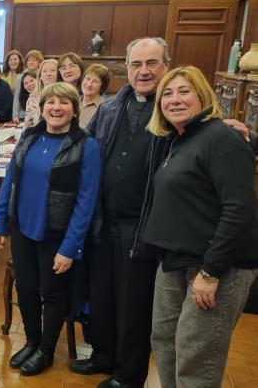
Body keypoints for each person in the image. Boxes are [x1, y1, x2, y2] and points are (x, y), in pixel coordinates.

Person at [143, 66, 258, 388]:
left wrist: (211, 273)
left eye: (184, 91)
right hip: (175, 257)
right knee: (165, 341)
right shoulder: (180, 139)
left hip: (217, 267)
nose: (174, 99)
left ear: (203, 96)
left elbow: (239, 209)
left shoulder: (222, 137)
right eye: (167, 93)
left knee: (196, 358)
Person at [69, 37, 170, 388]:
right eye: (136, 64)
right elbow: (85, 146)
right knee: (101, 293)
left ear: (166, 66)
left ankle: (129, 374)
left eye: (151, 63)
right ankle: (103, 355)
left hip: (141, 224)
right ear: (126, 69)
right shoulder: (110, 108)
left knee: (133, 304)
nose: (143, 71)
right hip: (102, 219)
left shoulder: (172, 108)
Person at [0, 82, 101, 376]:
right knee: (26, 289)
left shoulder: (86, 146)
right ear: (42, 109)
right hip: (23, 230)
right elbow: (10, 182)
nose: (56, 107)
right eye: (51, 102)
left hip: (56, 234)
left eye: (64, 102)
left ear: (74, 110)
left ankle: (46, 351)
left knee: (52, 294)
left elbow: (86, 201)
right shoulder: (28, 137)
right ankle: (31, 342)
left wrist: (70, 247)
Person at [24, 59, 58, 128]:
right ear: (40, 77)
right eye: (45, 71)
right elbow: (28, 125)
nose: (48, 74)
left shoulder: (65, 96)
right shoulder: (33, 98)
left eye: (53, 70)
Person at [13, 50, 44, 121]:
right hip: (24, 114)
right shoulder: (21, 76)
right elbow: (17, 96)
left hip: (39, 114)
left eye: (34, 60)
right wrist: (15, 116)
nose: (31, 62)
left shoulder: (43, 75)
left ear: (39, 62)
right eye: (29, 60)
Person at [79, 64, 110, 128]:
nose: (89, 84)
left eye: (95, 81)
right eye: (88, 78)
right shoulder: (73, 102)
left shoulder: (105, 109)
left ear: (102, 86)